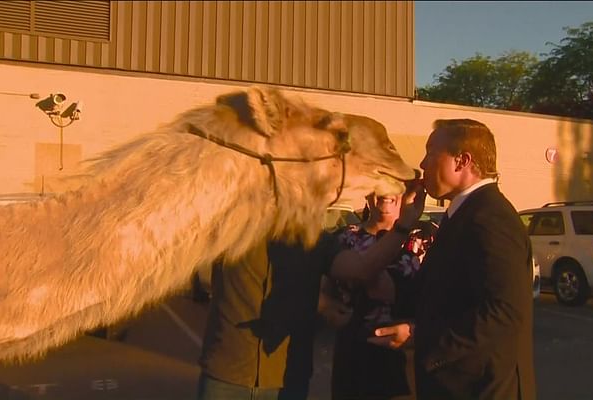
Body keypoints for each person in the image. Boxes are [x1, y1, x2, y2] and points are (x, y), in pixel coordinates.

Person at [196, 184, 426, 400]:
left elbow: (361, 269)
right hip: (227, 372)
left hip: (286, 377)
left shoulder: (317, 241)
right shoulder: (229, 228)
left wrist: (402, 226)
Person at [371, 119, 536, 400]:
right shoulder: (463, 214)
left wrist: (419, 336)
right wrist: (384, 284)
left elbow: (504, 313)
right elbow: (443, 292)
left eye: (431, 153)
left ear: (462, 161)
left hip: (483, 389)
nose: (422, 164)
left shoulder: (490, 218)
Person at [330, 192, 434, 400]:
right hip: (354, 357)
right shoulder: (343, 238)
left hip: (409, 358)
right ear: (368, 192)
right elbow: (322, 289)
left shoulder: (426, 239)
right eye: (379, 183)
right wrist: (325, 305)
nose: (386, 191)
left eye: (393, 183)